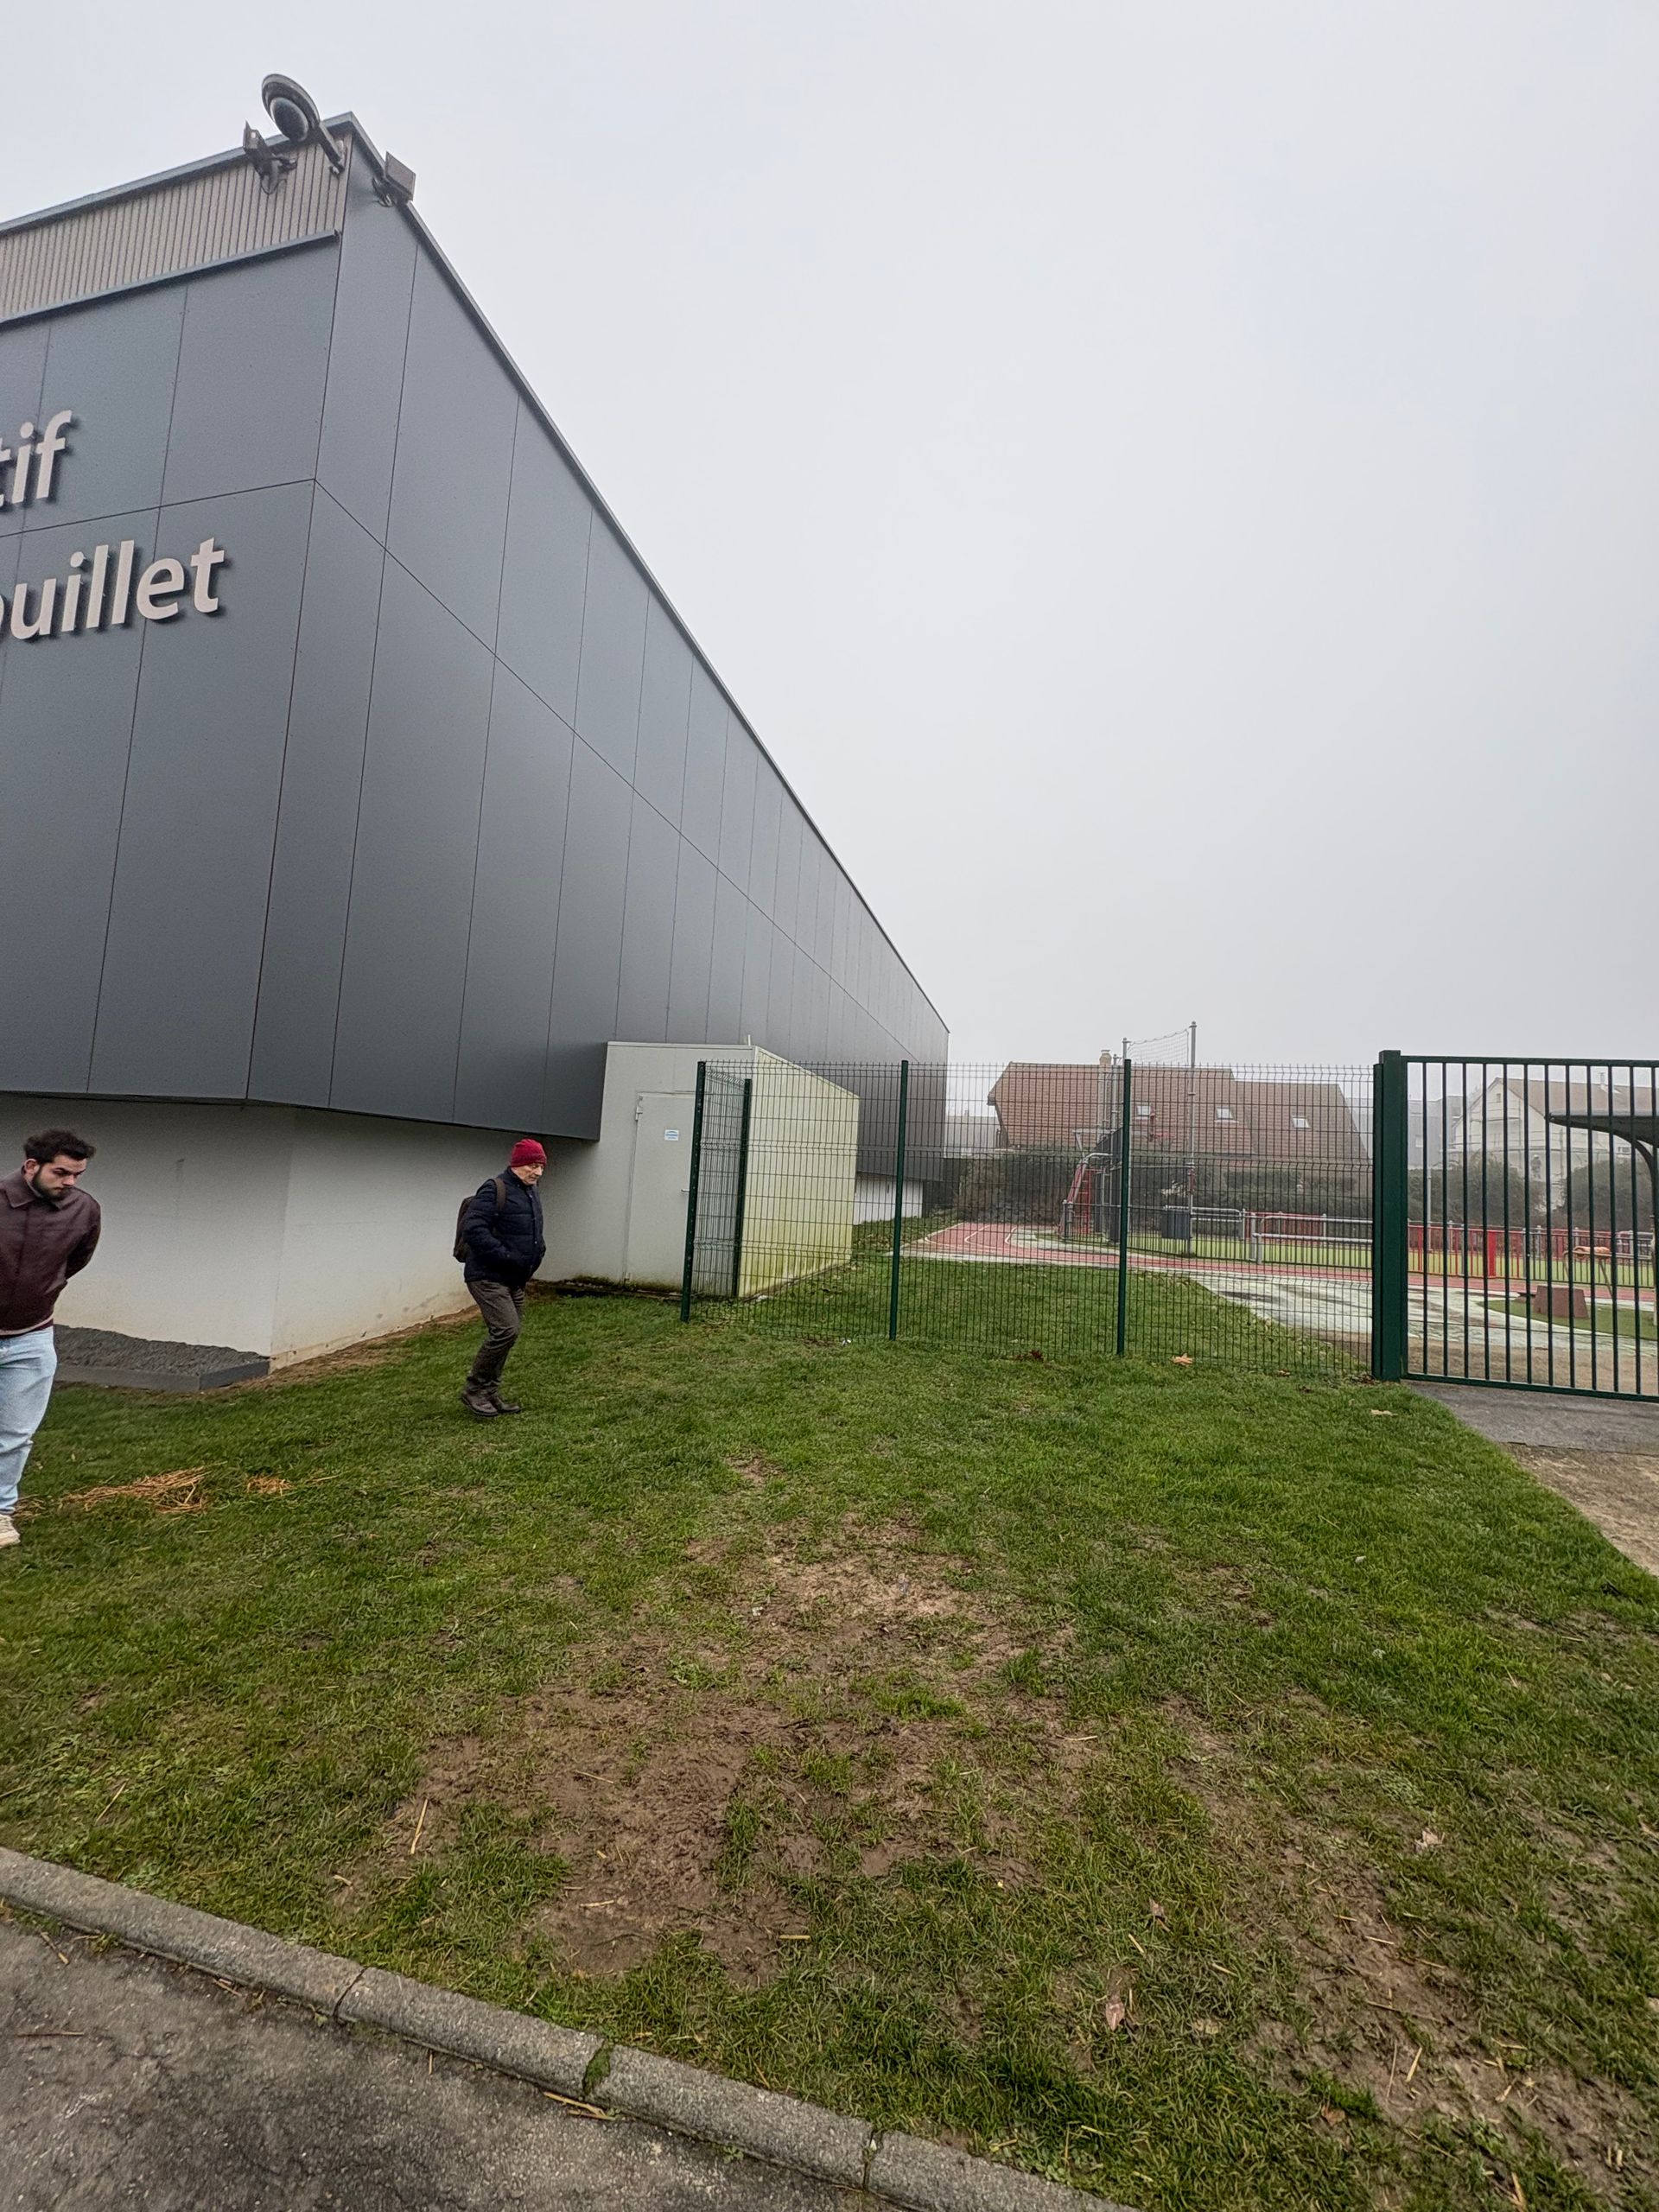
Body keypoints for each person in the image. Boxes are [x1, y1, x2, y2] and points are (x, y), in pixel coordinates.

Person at [1, 1129, 101, 1549]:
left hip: (32, 1339)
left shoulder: (85, 1211)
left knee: (15, 1435)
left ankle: (1, 1512)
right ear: (31, 1167)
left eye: (77, 1174)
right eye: (61, 1172)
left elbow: (75, 1261)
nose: (70, 1182)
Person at [458, 1139, 547, 1420]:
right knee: (506, 1330)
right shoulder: (494, 1188)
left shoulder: (530, 1192)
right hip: (487, 1276)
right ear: (518, 1163)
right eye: (534, 1165)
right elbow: (473, 1228)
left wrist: (538, 1250)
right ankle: (474, 1389)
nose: (538, 1172)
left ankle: (490, 1392)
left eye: (542, 1166)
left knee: (510, 1334)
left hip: (514, 1279)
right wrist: (505, 1256)